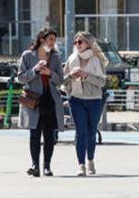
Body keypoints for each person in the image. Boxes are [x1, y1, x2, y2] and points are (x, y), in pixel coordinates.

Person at [18, 27, 64, 177]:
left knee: (49, 135)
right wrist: (36, 70)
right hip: (33, 99)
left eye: (54, 40)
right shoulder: (27, 56)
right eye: (50, 39)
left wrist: (50, 73)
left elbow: (60, 80)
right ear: (42, 40)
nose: (52, 43)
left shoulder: (55, 57)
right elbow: (21, 77)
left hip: (49, 98)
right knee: (34, 133)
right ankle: (35, 165)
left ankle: (47, 166)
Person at [63, 31, 107, 176]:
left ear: (88, 43)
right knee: (80, 132)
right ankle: (81, 165)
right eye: (75, 42)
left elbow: (101, 82)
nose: (77, 45)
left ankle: (90, 160)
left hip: (94, 100)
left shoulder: (97, 59)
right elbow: (63, 81)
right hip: (76, 99)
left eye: (80, 42)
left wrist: (85, 75)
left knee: (91, 132)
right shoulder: (71, 59)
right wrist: (71, 76)